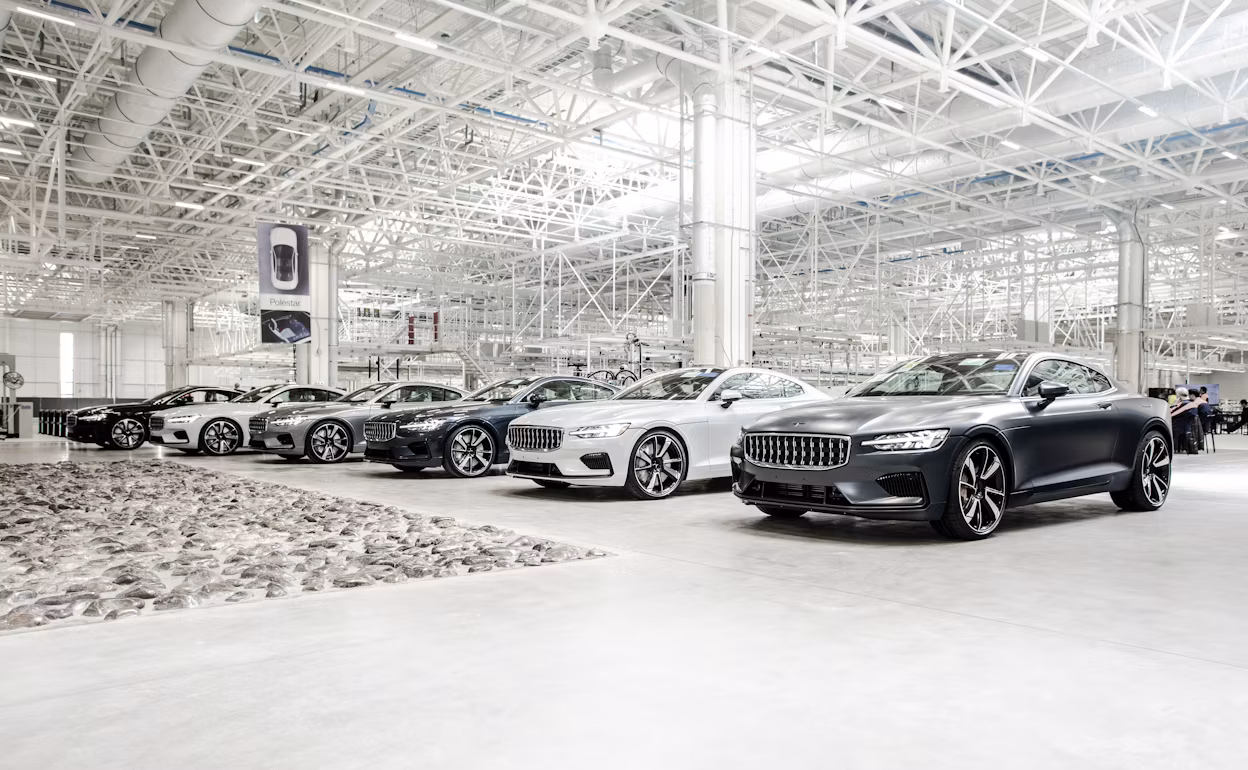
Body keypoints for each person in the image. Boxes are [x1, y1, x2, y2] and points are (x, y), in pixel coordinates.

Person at [1170, 387, 1200, 454]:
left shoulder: (1183, 404)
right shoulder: (1193, 404)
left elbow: (1170, 413)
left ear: (1178, 395)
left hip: (1178, 426)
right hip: (1188, 427)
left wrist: (1174, 404)